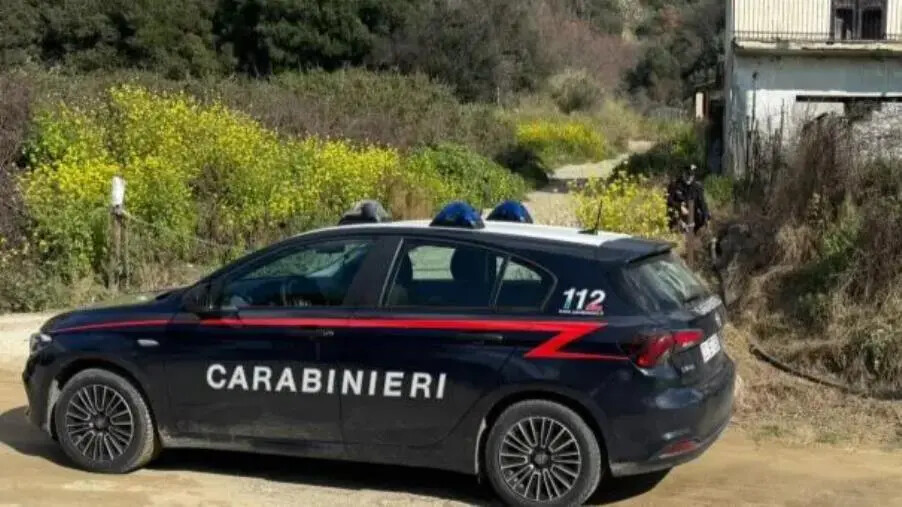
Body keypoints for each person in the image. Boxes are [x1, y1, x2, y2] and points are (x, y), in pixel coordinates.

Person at [667, 164, 710, 233]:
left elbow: (702, 203)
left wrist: (706, 217)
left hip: (692, 215)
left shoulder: (697, 187)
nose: (689, 177)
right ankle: (677, 229)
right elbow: (669, 200)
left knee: (702, 215)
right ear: (683, 173)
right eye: (688, 174)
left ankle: (693, 232)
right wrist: (679, 207)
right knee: (672, 212)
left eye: (691, 175)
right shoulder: (675, 185)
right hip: (678, 214)